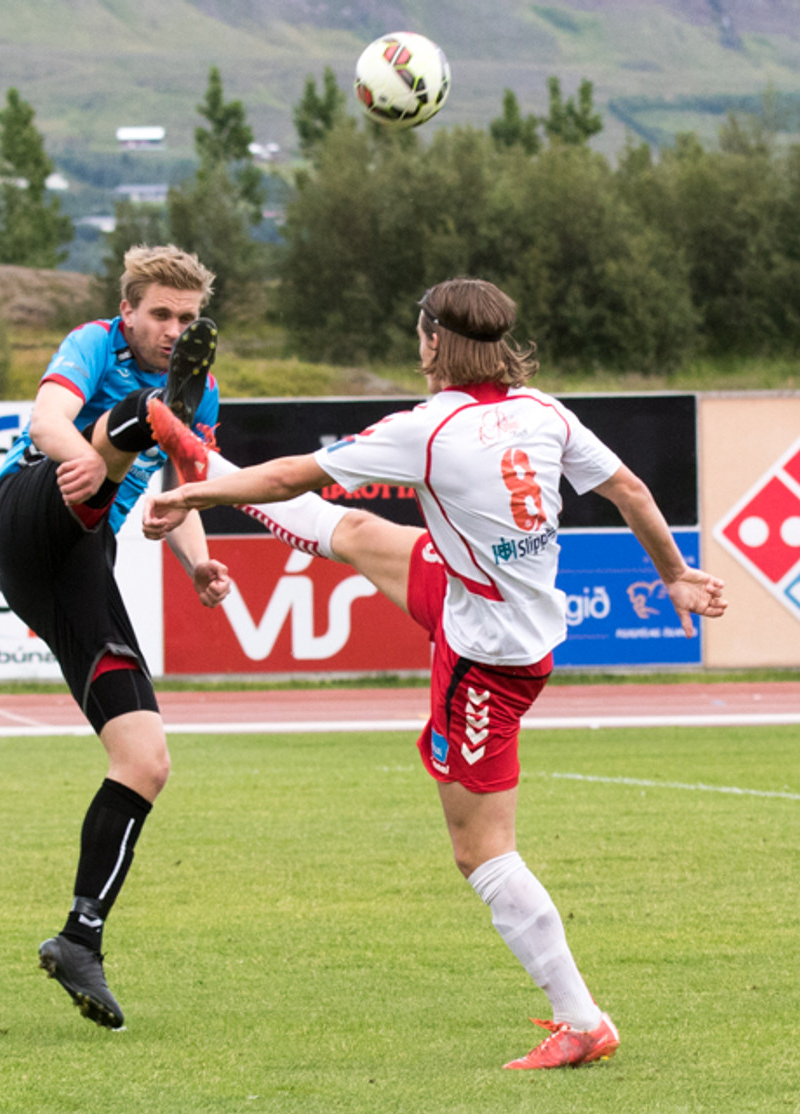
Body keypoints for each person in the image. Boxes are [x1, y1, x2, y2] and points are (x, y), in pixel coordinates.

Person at [142, 277, 728, 1069]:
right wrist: (674, 573)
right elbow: (630, 489)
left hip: (486, 661)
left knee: (480, 851)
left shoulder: (429, 428)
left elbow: (290, 478)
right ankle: (197, 450)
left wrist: (197, 496)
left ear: (432, 341)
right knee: (356, 531)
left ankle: (582, 1020)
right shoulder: (544, 411)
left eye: (419, 331)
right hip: (473, 600)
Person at [0, 244, 232, 1030]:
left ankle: (79, 938)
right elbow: (46, 421)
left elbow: (180, 492)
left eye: (186, 318)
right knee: (123, 430)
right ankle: (146, 417)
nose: (173, 328)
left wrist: (198, 562)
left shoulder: (204, 390)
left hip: (80, 560)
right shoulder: (93, 341)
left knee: (146, 760)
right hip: (29, 509)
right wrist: (86, 461)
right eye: (160, 314)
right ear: (127, 311)